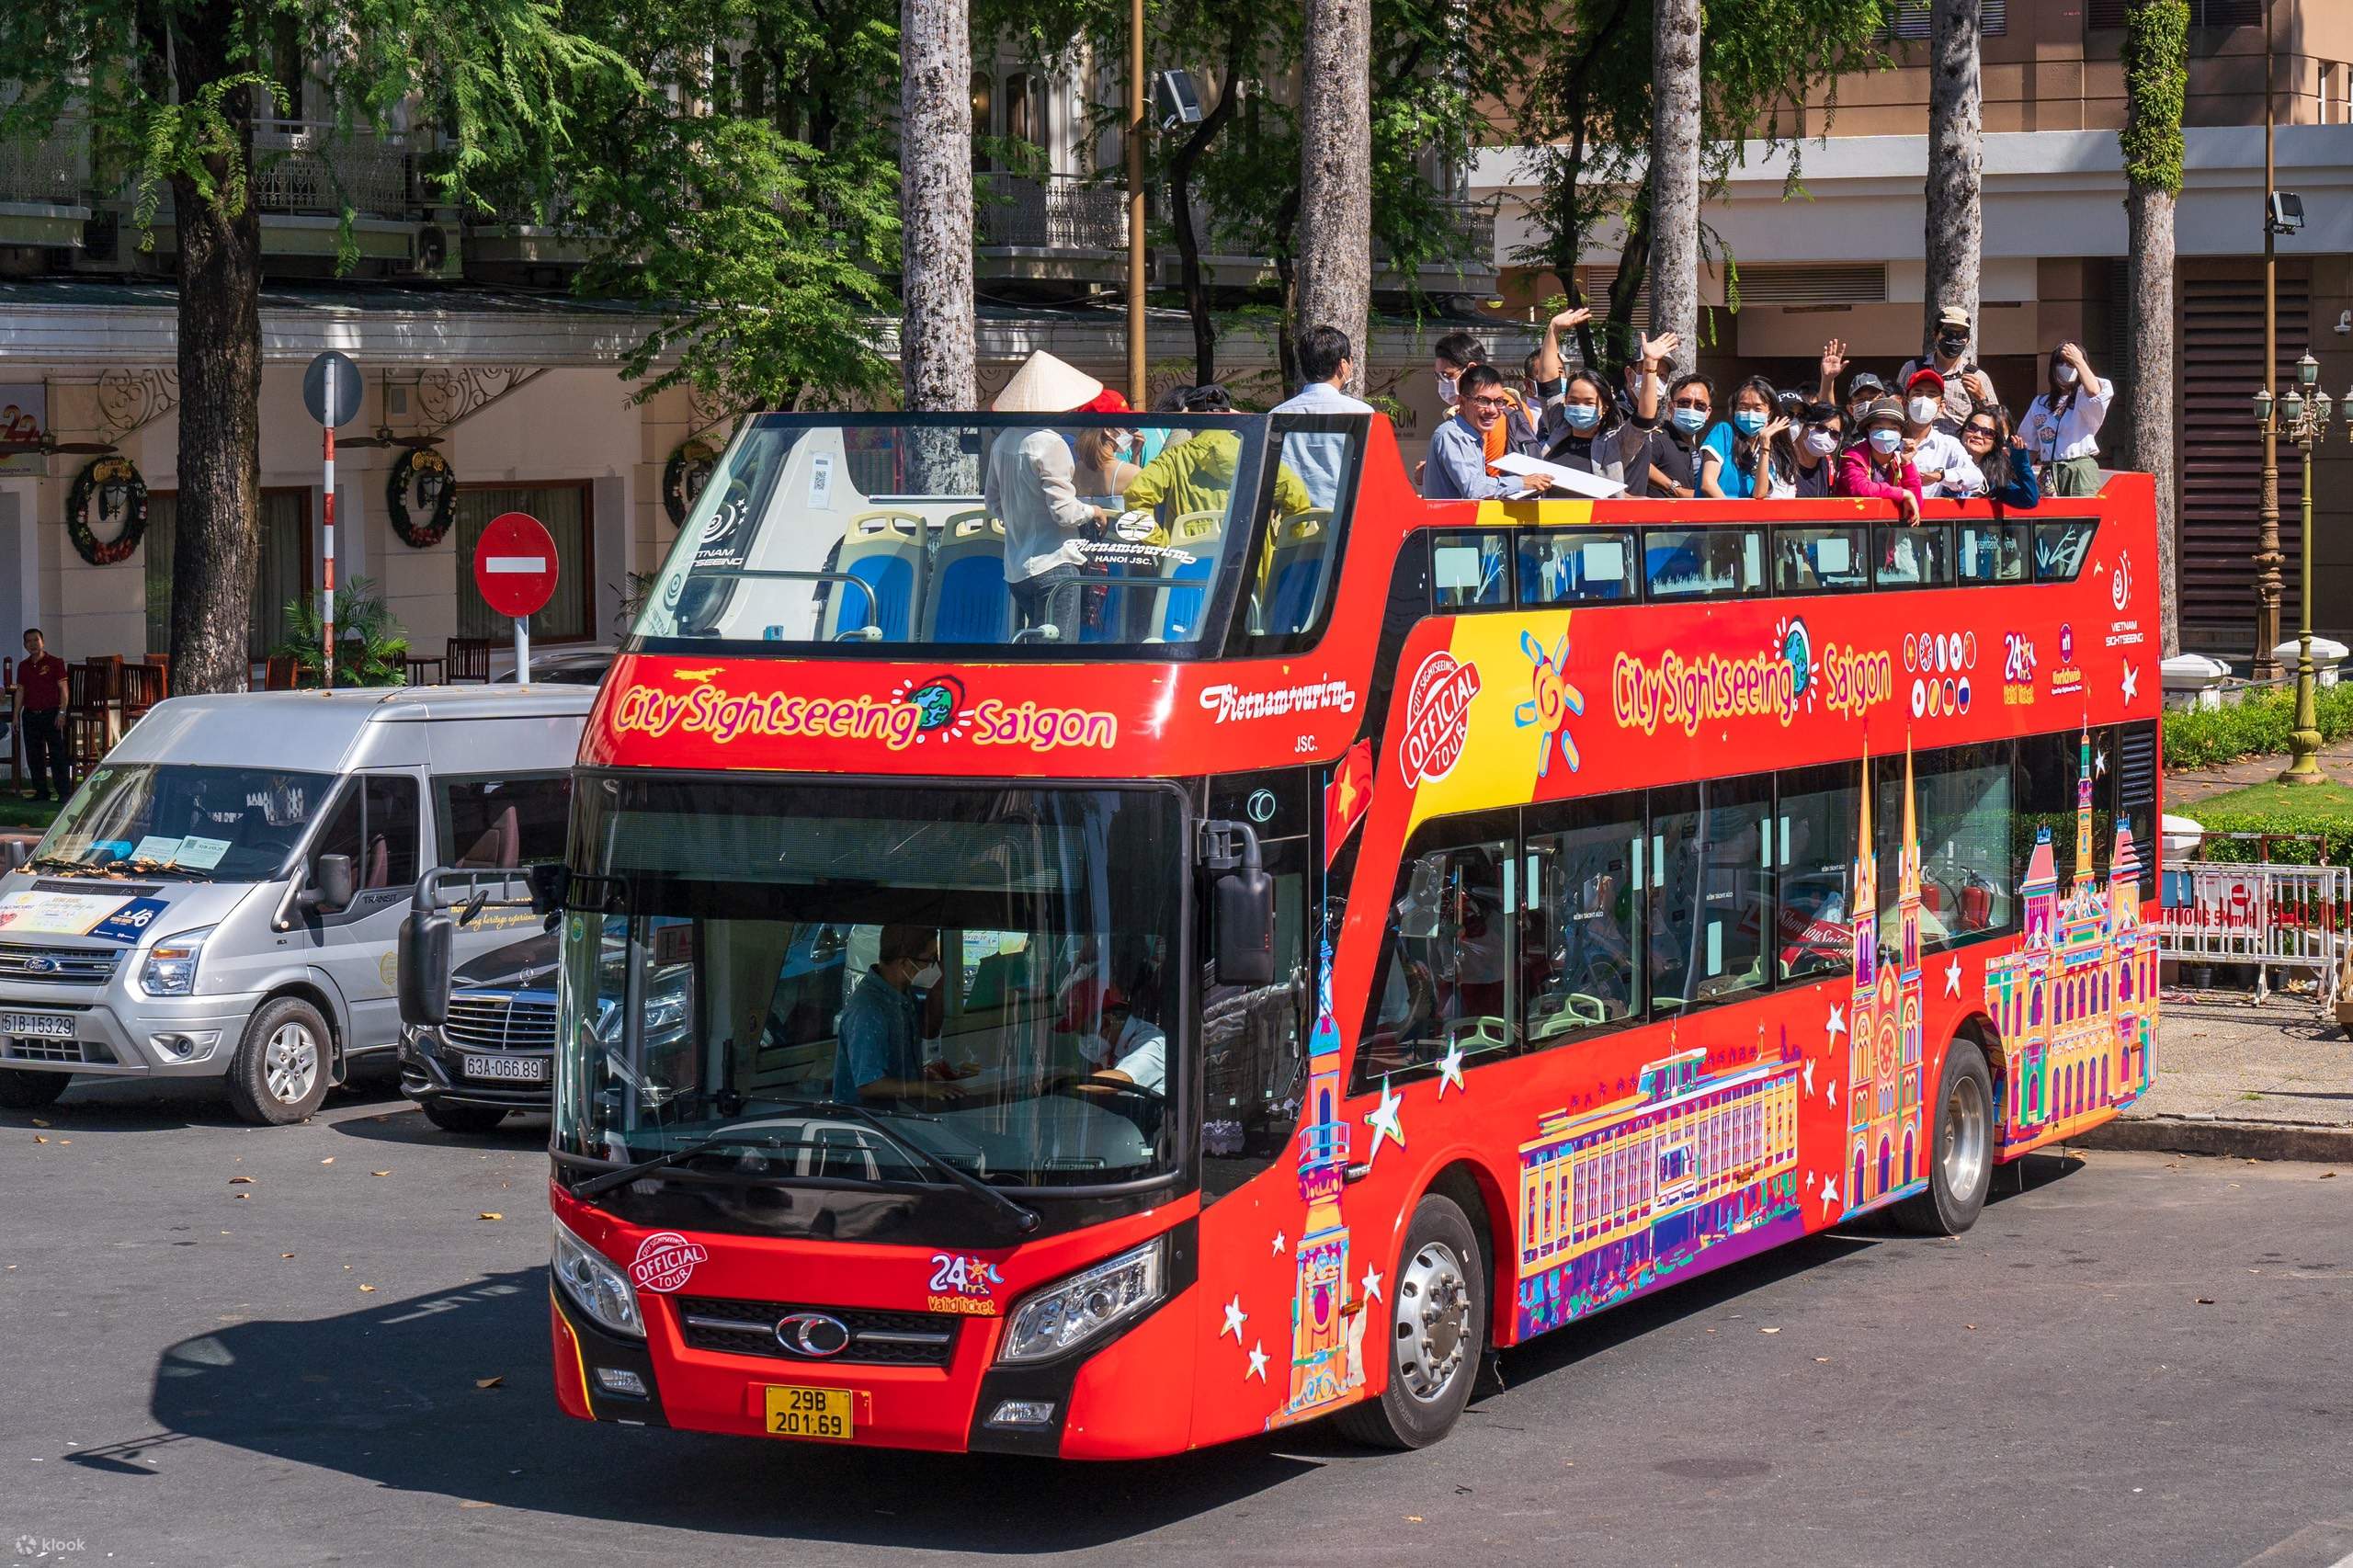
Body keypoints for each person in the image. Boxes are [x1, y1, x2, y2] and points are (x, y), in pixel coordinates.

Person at [985, 351, 1120, 642]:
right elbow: (1064, 513)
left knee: (1035, 652)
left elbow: (993, 503)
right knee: (1059, 655)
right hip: (1054, 566)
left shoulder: (1003, 441)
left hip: (1016, 569)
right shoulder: (1051, 443)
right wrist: (1095, 511)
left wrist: (1021, 518)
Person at [834, 925, 961, 1106]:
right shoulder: (868, 1009)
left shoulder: (902, 993)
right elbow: (868, 1084)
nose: (934, 966)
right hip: (867, 1122)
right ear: (904, 963)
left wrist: (937, 989)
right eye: (930, 959)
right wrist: (923, 1088)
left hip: (902, 1111)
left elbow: (929, 1030)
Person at [1273, 324, 1374, 510]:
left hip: (1293, 525)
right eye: (1350, 360)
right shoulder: (1363, 413)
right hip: (1345, 523)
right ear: (1343, 365)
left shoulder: (1277, 414)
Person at [1537, 344, 1664, 485]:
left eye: (1589, 403)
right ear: (1565, 402)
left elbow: (1644, 419)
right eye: (1573, 401)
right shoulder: (1558, 426)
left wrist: (1650, 364)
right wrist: (1554, 328)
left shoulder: (1615, 443)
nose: (1580, 407)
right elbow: (1547, 383)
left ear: (1605, 408)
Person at [1423, 366, 1554, 500]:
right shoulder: (1453, 435)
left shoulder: (1473, 436)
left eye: (1499, 402)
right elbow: (1474, 489)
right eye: (1483, 401)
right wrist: (1522, 482)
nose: (1492, 410)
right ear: (1462, 401)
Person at [2017, 341, 2112, 498]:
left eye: (2070, 363)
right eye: (2060, 362)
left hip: (2079, 468)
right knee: (2049, 520)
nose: (2065, 367)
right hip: (2048, 470)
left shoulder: (2086, 396)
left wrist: (2078, 360)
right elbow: (2029, 446)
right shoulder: (2040, 403)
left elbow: (2094, 391)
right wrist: (2020, 474)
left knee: (2082, 518)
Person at [1899, 305, 1999, 434]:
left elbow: (1998, 423)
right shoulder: (1912, 368)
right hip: (1918, 446)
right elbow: (1897, 408)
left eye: (1960, 334)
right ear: (1936, 335)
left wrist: (1982, 398)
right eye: (1948, 332)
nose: (1954, 339)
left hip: (1959, 448)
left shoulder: (1977, 376)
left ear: (1967, 340)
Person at [1699, 375, 1794, 499]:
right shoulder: (1724, 431)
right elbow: (1708, 484)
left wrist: (1765, 446)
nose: (1750, 413)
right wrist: (1733, 515)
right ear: (1735, 409)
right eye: (1744, 407)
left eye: (1757, 408)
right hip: (1717, 514)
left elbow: (1759, 493)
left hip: (1745, 517)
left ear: (1769, 414)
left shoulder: (1766, 449)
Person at [1836, 396, 1923, 521]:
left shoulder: (1899, 461)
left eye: (1893, 429)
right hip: (1851, 528)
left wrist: (1907, 463)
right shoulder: (1852, 456)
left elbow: (1915, 505)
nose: (1885, 434)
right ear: (1869, 430)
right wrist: (1903, 493)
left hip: (1887, 532)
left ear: (1901, 433)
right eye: (1879, 428)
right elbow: (1861, 488)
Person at [1899, 369, 1982, 497]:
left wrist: (1941, 475)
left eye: (1931, 395)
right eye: (1918, 393)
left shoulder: (1948, 444)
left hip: (1928, 516)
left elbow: (1975, 478)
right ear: (1905, 402)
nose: (1924, 400)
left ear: (1941, 406)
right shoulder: (1888, 439)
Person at [12, 628, 69, 804]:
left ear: (42, 642)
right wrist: (16, 716)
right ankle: (41, 791)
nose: (33, 644)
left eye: (36, 640)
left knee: (56, 754)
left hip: (51, 713)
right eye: (28, 641)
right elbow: (20, 691)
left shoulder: (55, 663)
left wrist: (62, 712)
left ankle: (63, 793)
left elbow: (63, 689)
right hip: (30, 715)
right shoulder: (23, 666)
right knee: (33, 755)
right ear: (24, 645)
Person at [1641, 372, 1718, 498]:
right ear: (1671, 408)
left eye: (1700, 405)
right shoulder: (1657, 440)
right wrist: (1674, 488)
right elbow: (1638, 463)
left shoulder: (1696, 449)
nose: (1691, 409)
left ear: (1708, 412)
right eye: (1684, 403)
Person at [1956, 404, 2040, 508]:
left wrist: (2020, 463)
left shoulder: (1995, 480)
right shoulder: (1943, 459)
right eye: (1972, 427)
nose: (1978, 435)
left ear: (1996, 443)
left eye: (1988, 433)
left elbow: (2029, 499)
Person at [1084, 988, 1166, 1096]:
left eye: (1083, 1032)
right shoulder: (1117, 1050)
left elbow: (1121, 1080)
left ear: (1106, 1022)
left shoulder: (1149, 1041)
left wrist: (1068, 1083)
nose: (1083, 1041)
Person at [1790, 403, 1845, 499]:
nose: (1826, 436)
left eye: (1834, 433)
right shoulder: (1782, 462)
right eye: (1821, 428)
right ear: (1803, 426)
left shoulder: (1828, 465)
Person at [1072, 426, 1139, 499]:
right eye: (1128, 428)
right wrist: (1136, 454)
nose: (1132, 434)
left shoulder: (1077, 469)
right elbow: (1137, 506)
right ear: (1108, 430)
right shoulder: (1131, 472)